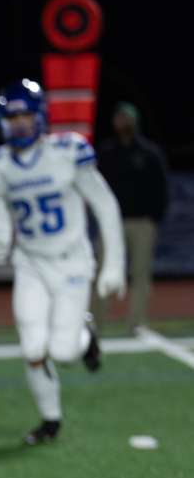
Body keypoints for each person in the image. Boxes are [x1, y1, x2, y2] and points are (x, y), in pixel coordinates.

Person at [0, 80, 126, 444]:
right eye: (12, 116)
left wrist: (114, 264)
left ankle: (85, 334)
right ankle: (50, 420)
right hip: (30, 262)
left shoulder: (67, 152)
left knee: (62, 352)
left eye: (25, 114)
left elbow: (106, 206)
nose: (19, 123)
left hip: (71, 261)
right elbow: (0, 210)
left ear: (41, 115)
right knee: (32, 348)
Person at [94, 102, 168, 334]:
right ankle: (95, 324)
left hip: (141, 223)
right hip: (110, 225)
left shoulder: (150, 153)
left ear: (135, 121)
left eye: (128, 117)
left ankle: (136, 323)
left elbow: (162, 189)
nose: (124, 121)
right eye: (120, 117)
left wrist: (153, 217)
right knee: (103, 273)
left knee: (141, 274)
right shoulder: (105, 152)